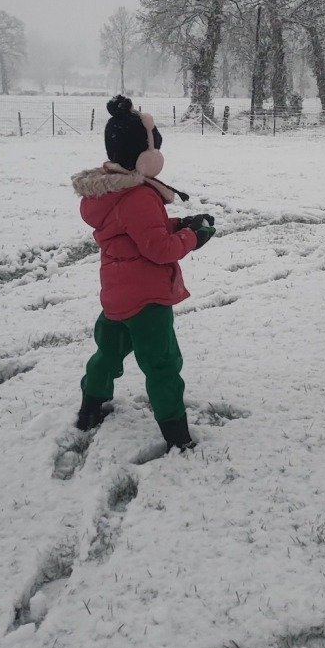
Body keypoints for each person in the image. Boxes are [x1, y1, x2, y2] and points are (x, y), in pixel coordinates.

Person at [70, 96, 215, 452]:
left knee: (108, 352)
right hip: (147, 299)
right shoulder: (138, 196)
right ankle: (177, 435)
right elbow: (158, 248)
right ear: (143, 154)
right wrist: (193, 237)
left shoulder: (110, 192)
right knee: (162, 363)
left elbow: (135, 231)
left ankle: (91, 406)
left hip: (117, 294)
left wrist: (178, 222)